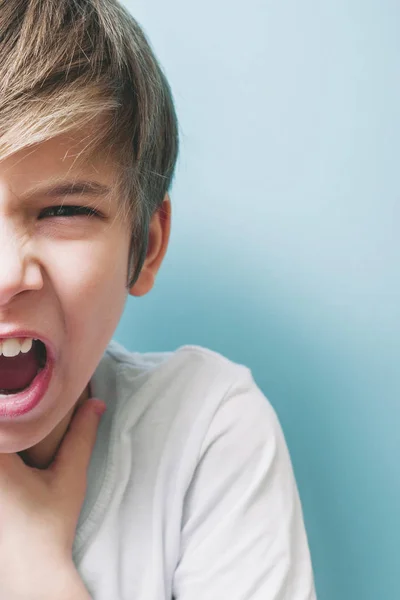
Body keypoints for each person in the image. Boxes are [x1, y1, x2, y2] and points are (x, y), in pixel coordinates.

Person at [0, 1, 316, 598]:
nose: (6, 273)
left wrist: (36, 571)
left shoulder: (204, 431)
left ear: (144, 245)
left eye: (65, 210)